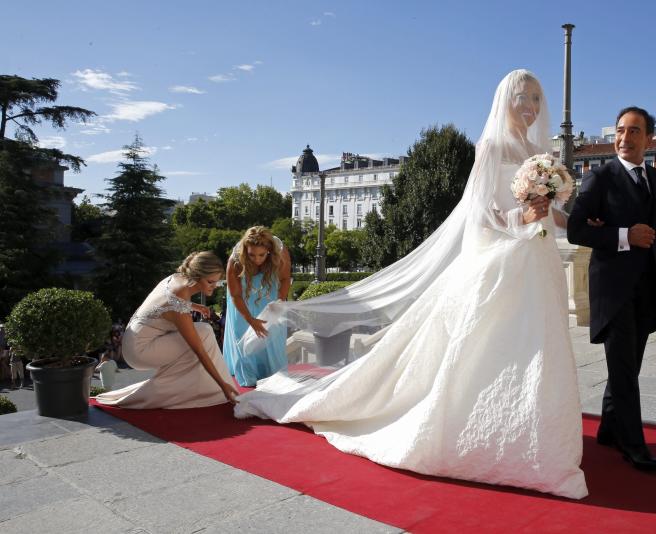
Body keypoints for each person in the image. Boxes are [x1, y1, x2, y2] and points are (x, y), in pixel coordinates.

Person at [234, 70, 587, 499]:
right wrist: (522, 218)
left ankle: (536, 435)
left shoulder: (540, 152)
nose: (531, 106)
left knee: (537, 347)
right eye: (522, 97)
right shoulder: (491, 146)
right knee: (486, 348)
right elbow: (479, 215)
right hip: (500, 261)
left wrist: (578, 222)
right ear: (504, 100)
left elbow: (550, 214)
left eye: (536, 97)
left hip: (538, 258)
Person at [567, 106, 656, 471]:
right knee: (625, 370)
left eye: (634, 131)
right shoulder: (600, 178)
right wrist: (625, 235)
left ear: (649, 138)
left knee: (629, 367)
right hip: (612, 290)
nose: (625, 138)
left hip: (647, 287)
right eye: (620, 130)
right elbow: (577, 229)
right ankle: (633, 445)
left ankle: (609, 428)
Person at [95, 252, 239, 408]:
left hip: (133, 339)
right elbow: (199, 350)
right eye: (211, 282)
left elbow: (162, 306)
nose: (214, 286)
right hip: (140, 350)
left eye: (216, 282)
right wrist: (222, 385)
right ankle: (210, 390)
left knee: (204, 330)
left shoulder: (177, 278)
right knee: (204, 333)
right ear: (197, 276)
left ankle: (201, 387)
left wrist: (195, 306)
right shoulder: (180, 295)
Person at [222, 226, 291, 386]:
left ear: (269, 249)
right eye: (251, 255)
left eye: (261, 254)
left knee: (272, 333)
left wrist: (278, 302)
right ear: (245, 250)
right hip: (243, 298)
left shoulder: (280, 252)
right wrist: (250, 319)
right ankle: (248, 375)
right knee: (243, 332)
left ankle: (272, 373)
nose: (257, 259)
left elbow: (285, 279)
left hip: (270, 295)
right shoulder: (236, 260)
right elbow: (235, 295)